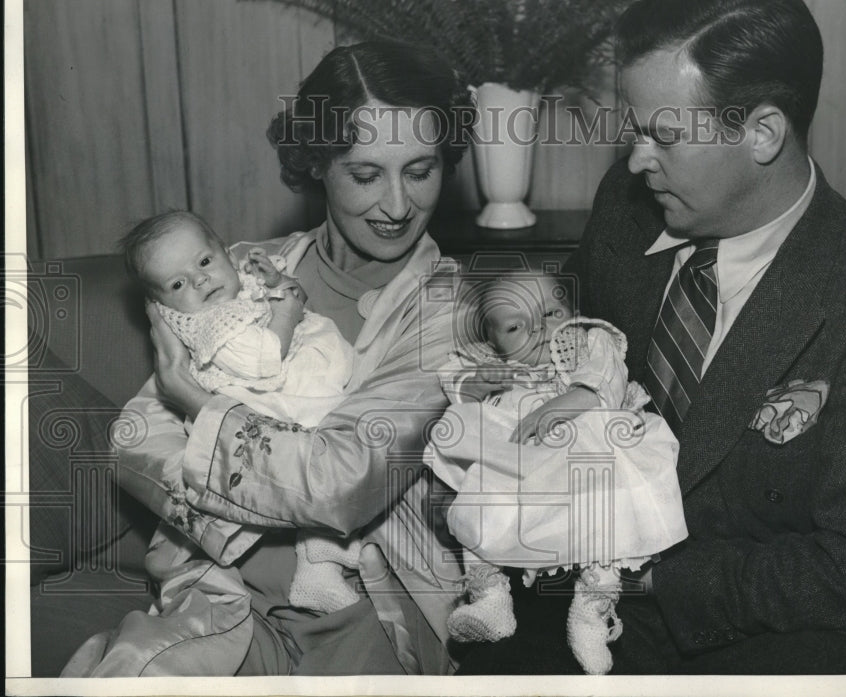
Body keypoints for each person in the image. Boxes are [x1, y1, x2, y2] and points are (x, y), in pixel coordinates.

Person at [457, 0, 846, 675]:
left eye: (665, 136)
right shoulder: (627, 209)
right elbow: (565, 351)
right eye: (635, 131)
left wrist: (647, 571)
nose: (636, 160)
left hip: (763, 634)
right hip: (577, 598)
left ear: (761, 133)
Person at [62, 40, 475, 676]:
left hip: (367, 617)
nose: (397, 206)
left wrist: (197, 403)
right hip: (219, 595)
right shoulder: (235, 269)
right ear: (316, 163)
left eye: (420, 171)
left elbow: (342, 485)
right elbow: (133, 439)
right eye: (366, 175)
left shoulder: (448, 311)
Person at [424, 273, 687, 673]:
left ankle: (591, 612)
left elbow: (606, 376)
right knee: (478, 505)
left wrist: (573, 398)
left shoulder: (587, 340)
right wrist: (478, 385)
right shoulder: (495, 363)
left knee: (608, 523)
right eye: (515, 327)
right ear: (495, 342)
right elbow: (454, 384)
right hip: (520, 456)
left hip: (590, 441)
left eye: (551, 312)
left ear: (572, 312)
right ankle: (490, 597)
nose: (539, 329)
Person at [120, 210, 363, 615]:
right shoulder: (214, 326)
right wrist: (286, 311)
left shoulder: (235, 291)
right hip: (265, 401)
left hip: (294, 390)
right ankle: (316, 567)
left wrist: (270, 278)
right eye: (178, 283)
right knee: (305, 466)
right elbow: (264, 361)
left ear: (226, 254)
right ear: (163, 308)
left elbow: (272, 290)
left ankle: (325, 555)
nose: (199, 280)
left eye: (204, 262)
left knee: (326, 458)